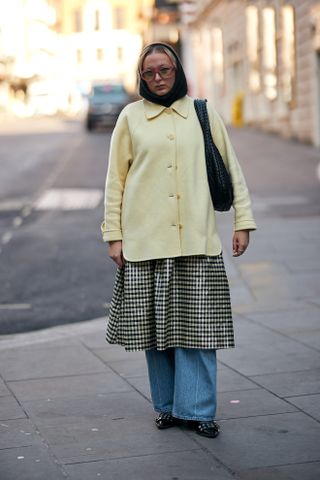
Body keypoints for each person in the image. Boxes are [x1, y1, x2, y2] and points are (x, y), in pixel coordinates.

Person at [101, 42, 256, 438]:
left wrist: (243, 221)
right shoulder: (130, 118)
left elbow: (232, 169)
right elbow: (115, 180)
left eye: (164, 70)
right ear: (141, 77)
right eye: (149, 72)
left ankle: (199, 410)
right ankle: (167, 407)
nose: (157, 78)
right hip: (145, 242)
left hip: (198, 243)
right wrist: (113, 235)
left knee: (199, 332)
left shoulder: (202, 114)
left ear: (177, 71)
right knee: (158, 334)